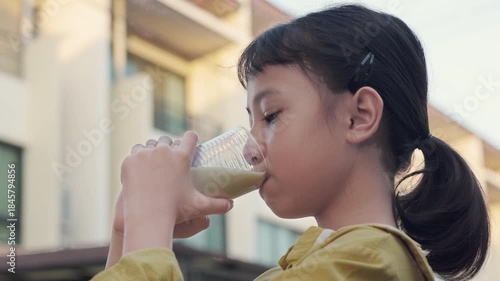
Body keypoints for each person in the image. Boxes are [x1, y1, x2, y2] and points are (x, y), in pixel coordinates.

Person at [92, 4, 490, 281]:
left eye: (271, 116)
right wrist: (127, 234)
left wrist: (152, 225)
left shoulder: (368, 261)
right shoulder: (323, 262)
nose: (252, 147)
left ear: (359, 116)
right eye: (251, 122)